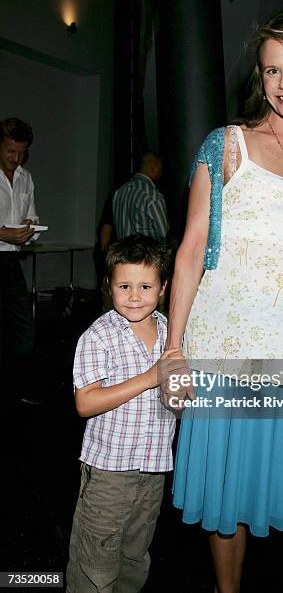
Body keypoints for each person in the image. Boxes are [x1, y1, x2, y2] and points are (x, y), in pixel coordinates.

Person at [161, 11, 283, 591]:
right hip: (221, 354)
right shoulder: (227, 147)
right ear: (260, 77)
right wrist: (174, 348)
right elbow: (191, 249)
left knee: (253, 492)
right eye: (272, 69)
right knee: (225, 498)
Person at [66, 235, 180, 592]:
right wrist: (148, 379)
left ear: (163, 288)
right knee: (95, 563)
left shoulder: (170, 334)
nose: (134, 296)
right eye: (125, 286)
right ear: (110, 287)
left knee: (134, 556)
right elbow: (85, 402)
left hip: (154, 469)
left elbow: (177, 400)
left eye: (145, 286)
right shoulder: (99, 337)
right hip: (109, 473)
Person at [0, 117, 38, 405]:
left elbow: (33, 217)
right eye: (11, 151)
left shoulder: (26, 178)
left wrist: (29, 228)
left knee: (24, 331)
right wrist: (4, 233)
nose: (16, 158)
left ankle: (16, 390)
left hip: (10, 263)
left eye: (21, 152)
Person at [113, 150, 168, 244]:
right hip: (145, 256)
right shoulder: (152, 195)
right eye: (160, 168)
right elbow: (163, 233)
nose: (161, 173)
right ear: (153, 168)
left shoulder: (120, 192)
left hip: (123, 256)